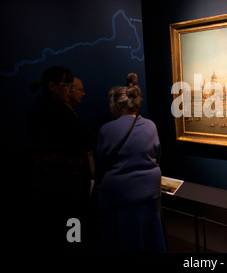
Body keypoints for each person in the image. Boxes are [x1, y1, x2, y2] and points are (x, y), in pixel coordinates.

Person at [28, 66, 97, 252]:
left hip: (50, 187)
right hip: (67, 188)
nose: (71, 91)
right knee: (72, 230)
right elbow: (86, 138)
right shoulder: (59, 111)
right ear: (52, 86)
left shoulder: (39, 108)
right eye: (67, 86)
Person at [95, 85, 166, 253]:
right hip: (150, 190)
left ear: (117, 105)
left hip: (120, 193)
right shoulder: (151, 125)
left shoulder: (107, 129)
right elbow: (157, 153)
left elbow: (101, 163)